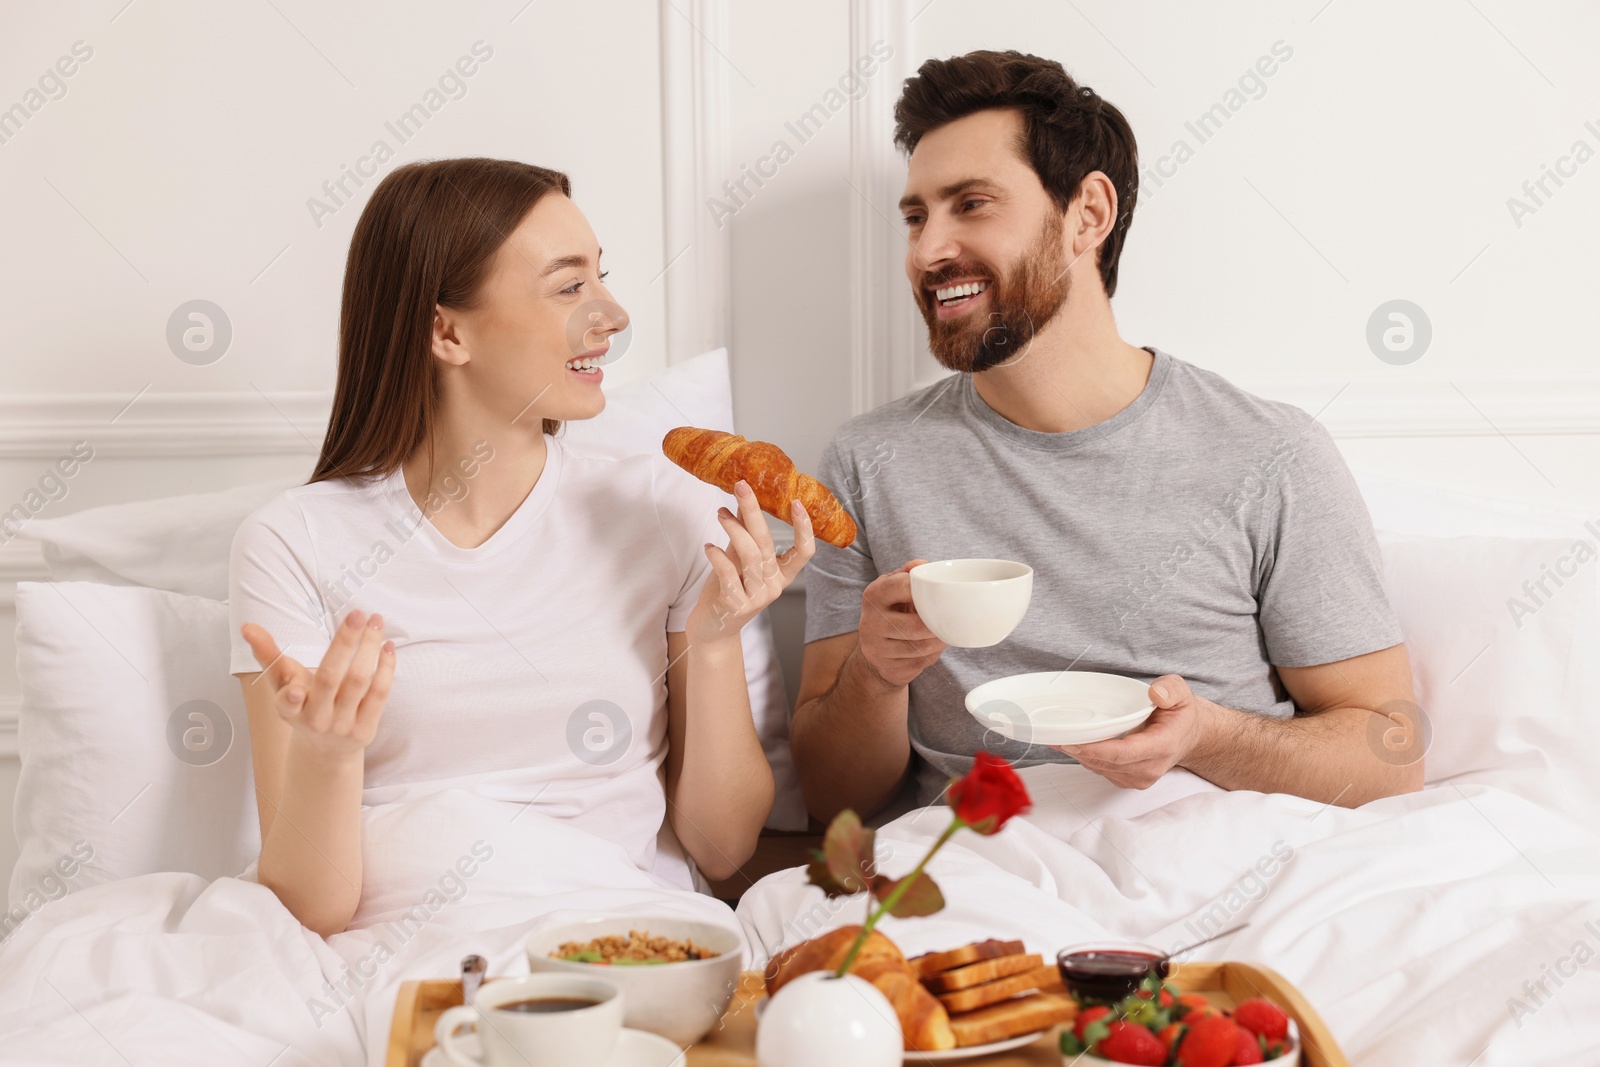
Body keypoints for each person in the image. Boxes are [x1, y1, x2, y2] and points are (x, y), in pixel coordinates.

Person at [791, 51, 1420, 824]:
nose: (927, 251)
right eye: (917, 217)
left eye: (972, 204)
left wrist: (1205, 737)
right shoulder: (867, 462)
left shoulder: (1270, 453)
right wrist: (876, 675)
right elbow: (833, 801)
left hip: (1216, 857)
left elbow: (1392, 754)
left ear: (1088, 213)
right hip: (982, 872)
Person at [229, 158, 812, 937]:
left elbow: (721, 843)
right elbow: (311, 907)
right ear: (447, 330)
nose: (611, 314)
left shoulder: (663, 507)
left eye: (601, 278)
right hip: (402, 955)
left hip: (623, 940)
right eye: (570, 287)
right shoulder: (292, 542)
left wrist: (712, 645)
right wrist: (329, 758)